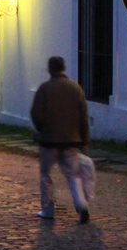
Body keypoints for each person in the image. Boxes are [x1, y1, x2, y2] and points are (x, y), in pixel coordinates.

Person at [29, 55, 91, 223]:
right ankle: (81, 205)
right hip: (71, 140)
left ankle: (48, 209)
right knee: (74, 175)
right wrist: (84, 139)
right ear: (63, 68)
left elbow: (36, 114)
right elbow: (83, 117)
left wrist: (42, 129)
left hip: (49, 141)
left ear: (50, 69)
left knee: (45, 175)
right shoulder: (75, 88)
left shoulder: (44, 89)